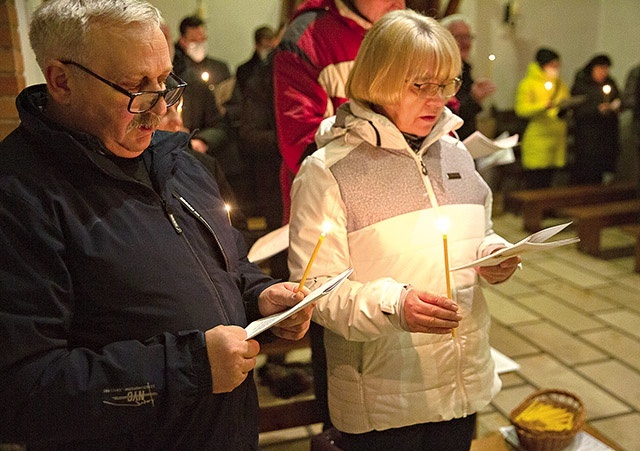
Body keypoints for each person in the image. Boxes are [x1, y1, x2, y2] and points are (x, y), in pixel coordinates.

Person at [0, 1, 313, 450]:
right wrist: (190, 369)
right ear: (62, 80)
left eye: (166, 80)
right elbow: (20, 391)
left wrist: (261, 295)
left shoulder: (179, 161)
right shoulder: (19, 195)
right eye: (136, 87)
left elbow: (228, 264)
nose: (161, 106)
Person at [288, 10, 521, 451]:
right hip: (383, 401)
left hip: (459, 387)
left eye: (447, 84)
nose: (439, 101)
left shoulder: (455, 154)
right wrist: (394, 305)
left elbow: (479, 230)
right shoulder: (328, 172)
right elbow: (315, 292)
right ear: (379, 78)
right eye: (421, 85)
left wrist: (494, 252)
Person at [273, 0, 406, 430]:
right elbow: (300, 138)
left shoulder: (402, 28)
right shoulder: (309, 36)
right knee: (339, 328)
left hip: (403, 206)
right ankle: (342, 430)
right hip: (340, 213)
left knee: (402, 314)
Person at [274, 0, 406, 224]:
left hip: (405, 200)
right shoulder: (309, 38)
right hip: (331, 209)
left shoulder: (405, 32)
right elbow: (301, 144)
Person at [514, 47, 570, 189]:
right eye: (552, 65)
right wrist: (543, 105)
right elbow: (521, 109)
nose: (555, 69)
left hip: (556, 139)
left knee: (550, 183)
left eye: (557, 65)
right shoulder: (528, 84)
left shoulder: (559, 84)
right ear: (542, 65)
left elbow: (565, 102)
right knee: (535, 182)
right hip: (537, 138)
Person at [440, 14, 496, 140]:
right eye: (459, 37)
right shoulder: (440, 72)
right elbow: (448, 116)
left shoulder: (465, 69)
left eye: (468, 37)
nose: (466, 43)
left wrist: (475, 96)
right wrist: (473, 98)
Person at [569, 54, 621, 185]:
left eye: (606, 69)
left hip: (608, 136)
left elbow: (619, 99)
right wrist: (597, 110)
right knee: (588, 174)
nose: (603, 72)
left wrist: (615, 106)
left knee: (606, 174)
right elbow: (577, 109)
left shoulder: (610, 83)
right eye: (600, 69)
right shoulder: (582, 85)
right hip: (588, 137)